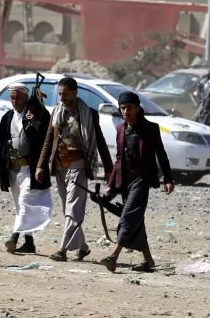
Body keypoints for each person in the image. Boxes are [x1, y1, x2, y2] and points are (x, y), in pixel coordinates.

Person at [98, 91, 175, 273]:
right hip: (126, 181)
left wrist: (168, 179)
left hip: (142, 180)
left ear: (138, 108)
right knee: (136, 221)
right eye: (123, 108)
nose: (126, 112)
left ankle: (113, 256)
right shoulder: (121, 129)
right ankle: (148, 262)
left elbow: (161, 155)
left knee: (127, 218)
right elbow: (118, 159)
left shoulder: (150, 129)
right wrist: (112, 186)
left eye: (129, 108)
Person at [37, 77, 111, 262]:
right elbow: (48, 140)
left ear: (75, 92)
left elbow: (100, 141)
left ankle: (62, 250)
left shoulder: (88, 113)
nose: (63, 98)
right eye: (60, 94)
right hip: (60, 166)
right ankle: (83, 247)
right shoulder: (56, 112)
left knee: (73, 209)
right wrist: (40, 165)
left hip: (78, 165)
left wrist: (109, 169)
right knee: (68, 209)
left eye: (66, 94)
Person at [0, 82, 52, 254]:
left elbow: (46, 136)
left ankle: (14, 236)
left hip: (30, 168)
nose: (14, 100)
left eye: (18, 97)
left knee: (25, 201)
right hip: (13, 168)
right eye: (12, 97)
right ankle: (29, 242)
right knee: (20, 205)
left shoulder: (37, 114)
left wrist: (35, 123)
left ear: (26, 97)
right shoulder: (8, 117)